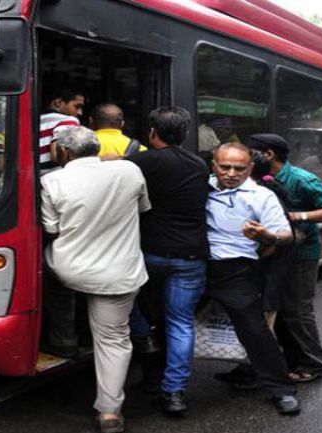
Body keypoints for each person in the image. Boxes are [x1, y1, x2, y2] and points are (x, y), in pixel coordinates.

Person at [41, 126, 150, 433]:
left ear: (63, 152)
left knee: (50, 278)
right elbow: (143, 208)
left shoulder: (50, 180)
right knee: (113, 340)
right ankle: (109, 412)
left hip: (69, 268)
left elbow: (51, 230)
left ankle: (64, 340)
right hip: (118, 273)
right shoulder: (130, 171)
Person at [125, 107, 210, 416]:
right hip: (190, 256)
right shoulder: (200, 165)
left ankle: (143, 334)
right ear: (185, 135)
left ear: (152, 133)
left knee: (122, 296)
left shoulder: (140, 161)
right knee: (180, 324)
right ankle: (173, 393)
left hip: (148, 254)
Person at [246, 133, 322, 383]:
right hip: (274, 252)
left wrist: (297, 217)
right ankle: (280, 361)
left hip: (301, 255)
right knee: (275, 309)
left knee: (297, 310)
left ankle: (312, 364)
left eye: (249, 152)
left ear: (268, 155)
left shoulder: (302, 179)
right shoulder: (255, 179)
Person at [205, 142, 300, 415]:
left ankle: (281, 390)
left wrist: (266, 236)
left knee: (254, 329)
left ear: (250, 168)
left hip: (236, 270)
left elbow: (285, 235)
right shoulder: (200, 187)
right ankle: (165, 388)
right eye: (225, 167)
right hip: (194, 266)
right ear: (214, 166)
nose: (231, 173)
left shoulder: (261, 196)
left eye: (239, 168)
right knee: (170, 324)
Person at [40, 87, 85, 175]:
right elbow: (57, 154)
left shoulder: (35, 120)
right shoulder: (69, 120)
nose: (80, 113)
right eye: (77, 106)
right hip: (57, 176)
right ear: (58, 103)